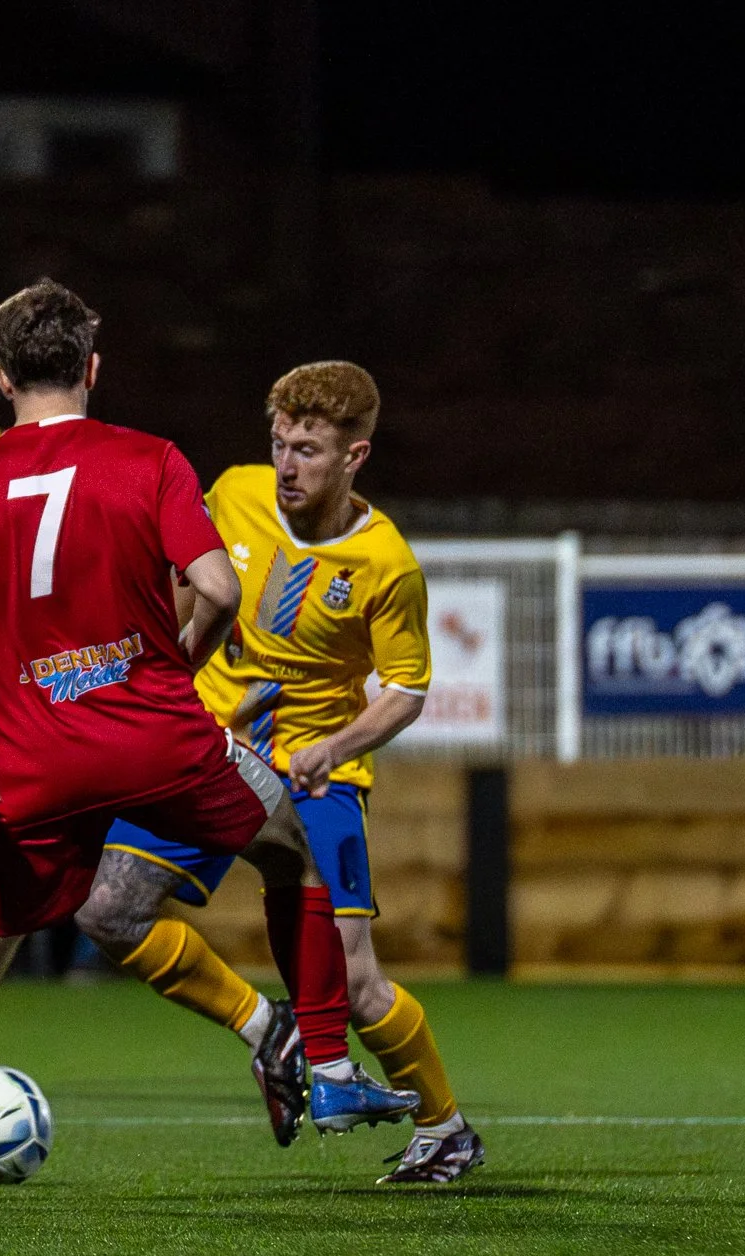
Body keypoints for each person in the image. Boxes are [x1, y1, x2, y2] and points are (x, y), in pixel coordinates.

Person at [0, 282, 416, 1207]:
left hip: (25, 767)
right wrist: (171, 672)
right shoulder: (151, 460)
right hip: (156, 742)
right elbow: (215, 583)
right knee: (293, 847)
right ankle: (326, 1064)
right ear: (93, 368)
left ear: (2, 377)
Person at [77, 361, 485, 1185]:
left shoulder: (385, 562)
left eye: (307, 449)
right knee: (107, 911)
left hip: (316, 780)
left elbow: (406, 689)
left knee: (360, 982)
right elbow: (181, 590)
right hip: (206, 752)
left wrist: (336, 747)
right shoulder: (232, 494)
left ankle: (446, 1129)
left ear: (354, 456)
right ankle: (273, 1031)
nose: (287, 464)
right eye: (279, 444)